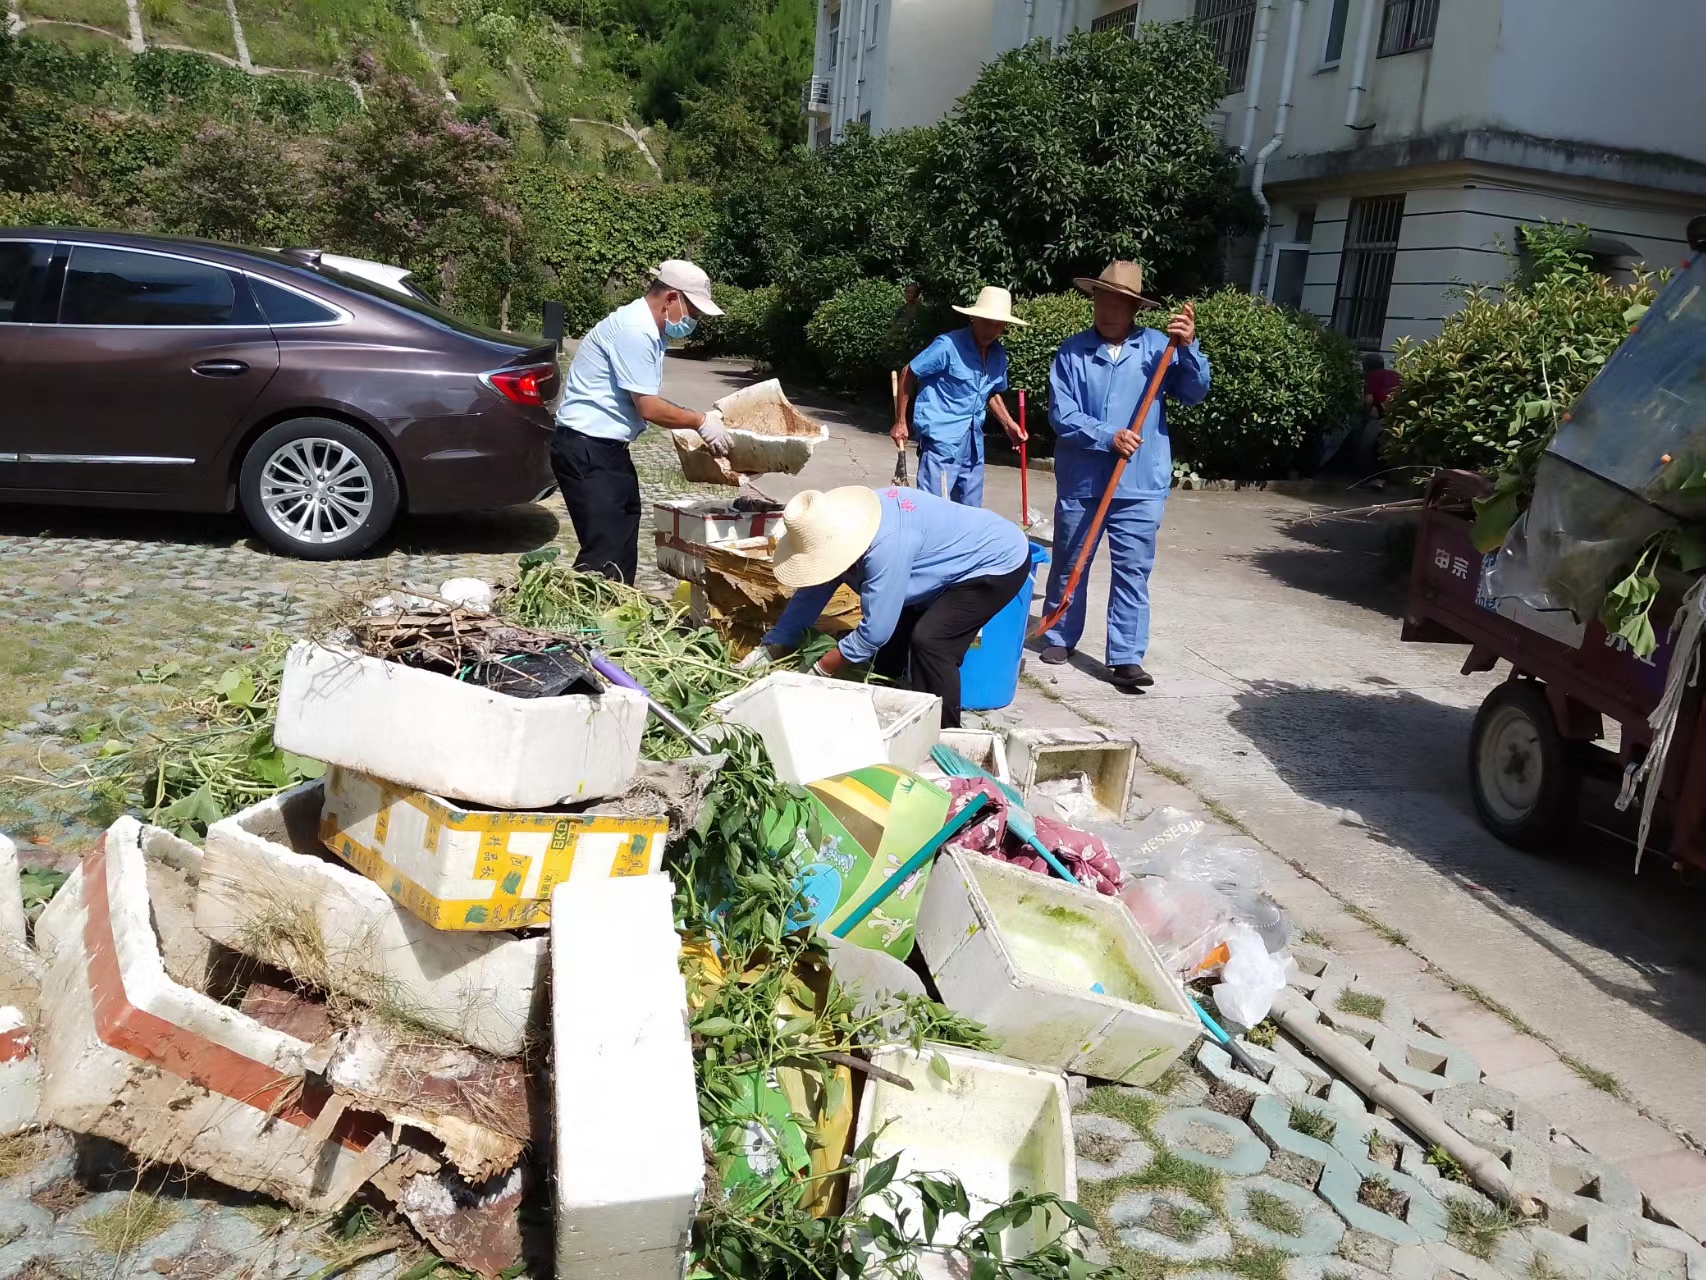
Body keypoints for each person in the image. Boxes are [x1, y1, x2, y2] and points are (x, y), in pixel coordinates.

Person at [1038, 261, 1209, 690]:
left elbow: (1194, 393)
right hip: (1083, 480)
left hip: (1140, 482)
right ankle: (1059, 634)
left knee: (1133, 569)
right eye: (1101, 300)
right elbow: (1062, 414)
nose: (1106, 309)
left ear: (1133, 307)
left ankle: (1127, 656)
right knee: (1070, 560)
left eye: (1116, 302)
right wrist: (1107, 435)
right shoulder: (1072, 351)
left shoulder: (1160, 348)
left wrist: (1189, 348)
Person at [745, 486, 1031, 728]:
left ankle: (943, 735)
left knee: (932, 641)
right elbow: (812, 594)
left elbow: (875, 632)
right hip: (942, 557)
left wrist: (821, 669)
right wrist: (771, 648)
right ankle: (892, 700)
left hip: (996, 561)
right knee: (894, 635)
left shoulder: (884, 545)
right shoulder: (834, 527)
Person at [552, 260, 732, 584]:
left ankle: (615, 609)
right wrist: (701, 422)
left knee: (620, 544)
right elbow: (648, 407)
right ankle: (587, 614)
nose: (694, 321)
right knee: (604, 556)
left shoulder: (647, 328)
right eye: (693, 312)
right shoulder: (635, 330)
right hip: (588, 449)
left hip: (605, 450)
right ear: (672, 298)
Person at [891, 286, 1028, 506]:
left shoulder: (998, 354)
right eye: (987, 322)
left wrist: (1008, 424)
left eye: (998, 325)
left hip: (973, 445)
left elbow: (989, 391)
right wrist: (900, 422)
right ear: (974, 318)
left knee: (970, 513)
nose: (991, 330)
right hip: (941, 442)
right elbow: (909, 371)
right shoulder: (948, 346)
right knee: (935, 510)